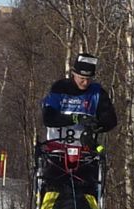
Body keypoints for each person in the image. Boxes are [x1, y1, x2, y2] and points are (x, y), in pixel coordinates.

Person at [39, 52, 117, 193]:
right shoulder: (59, 88)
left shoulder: (97, 93)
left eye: (89, 79)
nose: (85, 83)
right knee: (51, 190)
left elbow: (110, 120)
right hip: (57, 152)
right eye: (82, 78)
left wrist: (95, 126)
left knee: (87, 192)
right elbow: (48, 118)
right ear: (73, 74)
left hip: (85, 154)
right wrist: (76, 118)